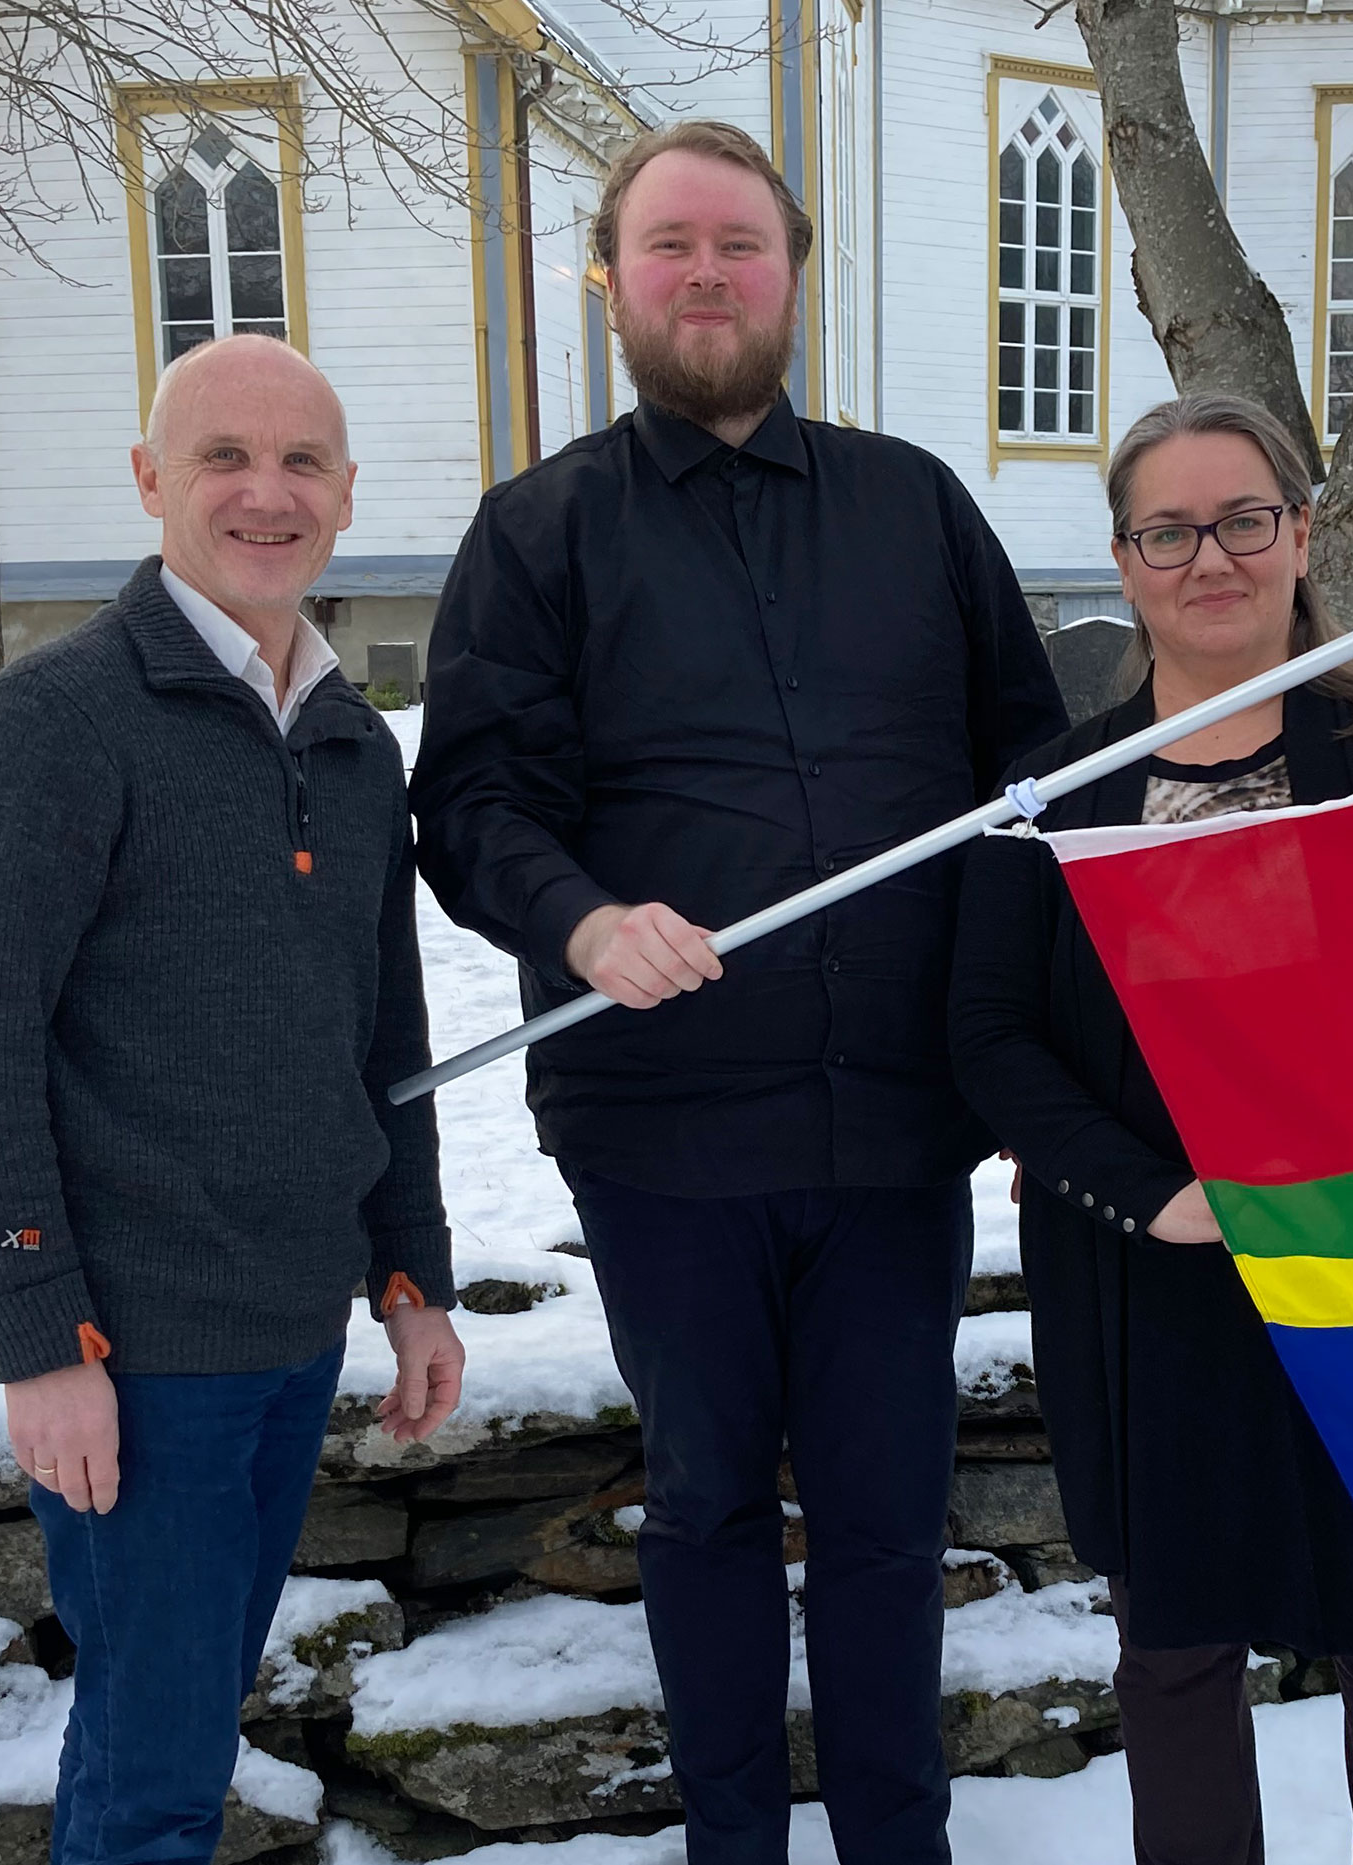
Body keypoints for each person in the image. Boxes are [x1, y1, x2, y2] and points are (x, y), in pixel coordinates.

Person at [409, 120, 1066, 1865]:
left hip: (893, 1128)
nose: (706, 275)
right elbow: (471, 804)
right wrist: (578, 917)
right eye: (670, 245)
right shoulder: (538, 532)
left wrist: (1027, 1048)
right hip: (665, 1131)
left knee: (878, 1514)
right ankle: (731, 1844)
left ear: (790, 272)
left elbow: (1028, 781)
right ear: (612, 280)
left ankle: (894, 1842)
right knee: (703, 1502)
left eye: (740, 246)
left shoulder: (914, 504)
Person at [0, 333, 467, 1864]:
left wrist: (408, 1274)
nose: (264, 494)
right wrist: (39, 1339)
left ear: (347, 494)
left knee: (182, 1717)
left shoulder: (353, 747)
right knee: (157, 1762)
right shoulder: (52, 728)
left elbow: (382, 1037)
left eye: (300, 464)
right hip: (134, 1353)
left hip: (291, 1327)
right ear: (152, 479)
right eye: (224, 457)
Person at [946, 392, 1353, 1865]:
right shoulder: (1054, 800)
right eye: (1168, 529)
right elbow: (986, 1035)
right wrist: (1152, 1192)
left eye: (1242, 518)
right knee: (1176, 1651)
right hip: (1150, 1280)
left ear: (1299, 532)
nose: (1210, 558)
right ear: (1124, 560)